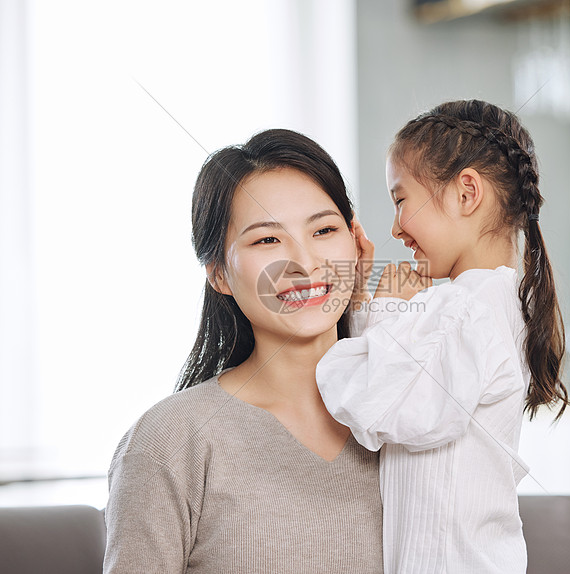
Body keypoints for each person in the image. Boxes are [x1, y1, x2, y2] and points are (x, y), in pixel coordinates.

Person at [103, 129, 383, 573]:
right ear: (219, 275)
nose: (305, 263)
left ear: (356, 243)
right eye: (267, 240)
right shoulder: (169, 441)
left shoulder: (411, 418)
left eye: (325, 230)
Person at [316, 99, 570, 573]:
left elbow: (379, 402)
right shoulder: (487, 303)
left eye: (401, 200)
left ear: (466, 193)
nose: (395, 228)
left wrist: (385, 305)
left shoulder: (466, 312)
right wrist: (385, 305)